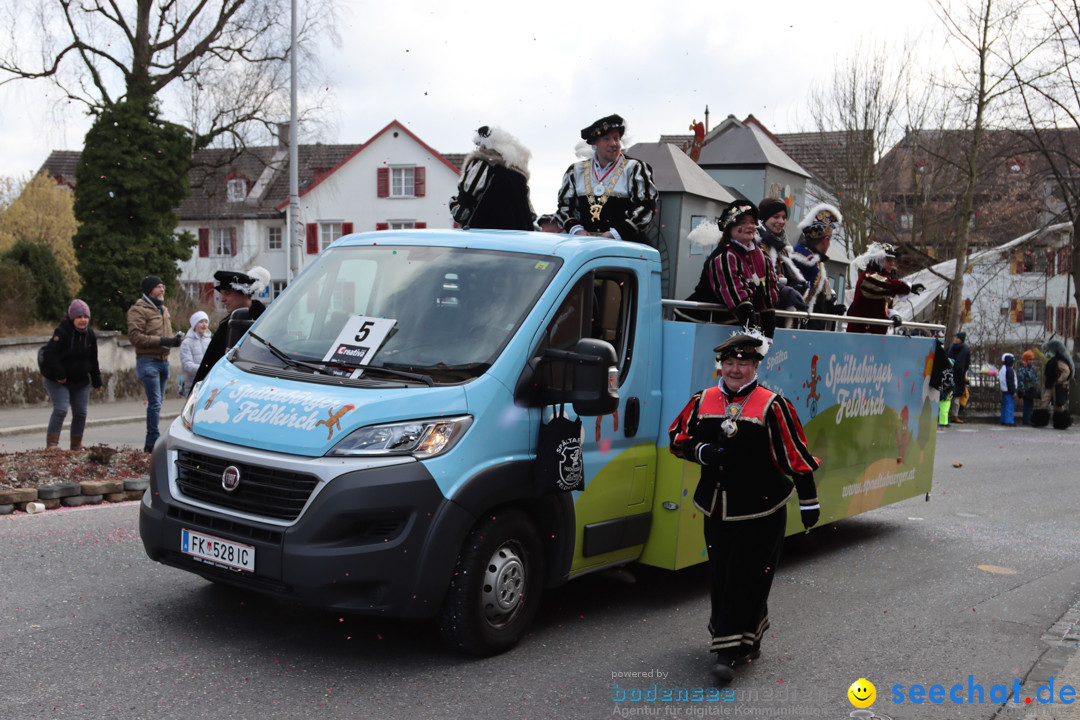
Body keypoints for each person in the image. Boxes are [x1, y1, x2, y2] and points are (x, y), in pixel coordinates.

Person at [667, 327, 820, 683]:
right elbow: (677, 438)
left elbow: (795, 456)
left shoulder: (771, 404)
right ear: (720, 365)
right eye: (730, 362)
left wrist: (809, 501)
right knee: (722, 576)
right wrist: (698, 451)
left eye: (744, 363)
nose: (736, 369)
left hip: (762, 509)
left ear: (756, 366)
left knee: (746, 577)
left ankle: (726, 652)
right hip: (716, 508)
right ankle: (747, 638)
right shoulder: (701, 400)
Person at [555, 114, 658, 243]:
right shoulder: (576, 171)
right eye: (606, 139)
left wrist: (616, 233)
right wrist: (576, 230)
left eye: (616, 138)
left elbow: (646, 207)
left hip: (627, 246)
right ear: (594, 143)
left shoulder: (635, 168)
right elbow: (564, 207)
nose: (613, 144)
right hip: (585, 246)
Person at [683, 201, 779, 336]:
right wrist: (754, 335)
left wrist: (768, 334)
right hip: (703, 325)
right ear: (730, 227)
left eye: (752, 222)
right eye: (743, 222)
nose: (750, 226)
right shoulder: (724, 257)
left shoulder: (762, 257)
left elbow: (767, 297)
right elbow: (737, 298)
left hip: (736, 326)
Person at [127, 276, 183, 452]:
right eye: (158, 287)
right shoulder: (138, 310)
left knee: (158, 402)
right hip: (147, 361)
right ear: (149, 290)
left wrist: (174, 340)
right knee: (155, 402)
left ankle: (152, 441)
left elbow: (165, 333)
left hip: (163, 361)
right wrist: (162, 340)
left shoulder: (162, 309)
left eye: (163, 286)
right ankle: (152, 441)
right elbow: (135, 337)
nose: (162, 290)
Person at [41, 299, 103, 450]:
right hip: (58, 380)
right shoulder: (63, 332)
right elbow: (49, 354)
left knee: (81, 412)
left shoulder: (90, 335)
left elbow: (93, 359)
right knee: (61, 409)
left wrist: (97, 381)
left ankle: (76, 445)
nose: (83, 321)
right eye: (79, 317)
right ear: (72, 318)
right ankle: (52, 445)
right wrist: (59, 373)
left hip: (80, 381)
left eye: (85, 317)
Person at [449, 125, 535, 231]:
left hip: (486, 241)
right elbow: (530, 215)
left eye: (480, 146)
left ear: (486, 146)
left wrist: (452, 202)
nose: (479, 149)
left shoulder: (481, 165)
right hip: (519, 243)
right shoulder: (519, 177)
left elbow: (462, 212)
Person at [193, 266, 270, 384]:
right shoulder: (227, 323)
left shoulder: (264, 322)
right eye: (222, 294)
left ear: (244, 293)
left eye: (227, 293)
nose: (222, 299)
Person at [845, 243, 924, 334]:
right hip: (860, 334)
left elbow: (886, 307)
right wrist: (908, 287)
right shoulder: (867, 276)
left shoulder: (886, 284)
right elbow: (885, 284)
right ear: (878, 260)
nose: (892, 264)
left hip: (877, 336)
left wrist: (894, 315)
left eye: (893, 260)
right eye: (889, 260)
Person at [790, 204, 845, 329]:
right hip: (803, 329)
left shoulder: (808, 257)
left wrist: (830, 309)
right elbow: (805, 300)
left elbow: (817, 299)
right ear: (826, 240)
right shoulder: (810, 262)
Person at [756, 198, 808, 326]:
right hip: (759, 317)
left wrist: (797, 286)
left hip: (779, 317)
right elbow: (758, 280)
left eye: (784, 217)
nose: (781, 221)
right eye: (776, 216)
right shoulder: (755, 244)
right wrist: (784, 290)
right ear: (764, 218)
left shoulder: (782, 248)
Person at [1032, 338, 1073, 429]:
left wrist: (1059, 380)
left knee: (1058, 404)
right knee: (1044, 402)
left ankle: (1061, 422)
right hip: (1049, 385)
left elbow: (1066, 371)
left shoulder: (1059, 361)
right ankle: (1040, 420)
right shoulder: (1052, 361)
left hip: (1057, 386)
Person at [179, 310, 212, 397]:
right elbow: (187, 365)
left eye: (206, 322)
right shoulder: (187, 342)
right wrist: (204, 369)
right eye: (200, 322)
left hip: (206, 383)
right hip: (191, 384)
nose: (204, 324)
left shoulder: (210, 341)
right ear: (194, 325)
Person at [947, 332, 971, 424]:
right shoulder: (952, 347)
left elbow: (966, 363)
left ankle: (954, 415)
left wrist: (961, 371)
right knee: (950, 396)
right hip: (951, 374)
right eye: (955, 337)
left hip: (958, 375)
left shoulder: (964, 349)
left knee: (956, 397)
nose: (955, 339)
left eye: (957, 338)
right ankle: (951, 415)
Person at [1017, 350, 1038, 426]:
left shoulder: (1032, 368)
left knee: (1030, 405)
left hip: (1031, 389)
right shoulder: (1023, 368)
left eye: (1032, 360)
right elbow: (1021, 379)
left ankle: (1028, 419)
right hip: (1026, 389)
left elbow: (1035, 378)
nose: (1031, 361)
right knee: (1027, 405)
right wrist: (1022, 390)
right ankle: (1026, 420)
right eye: (1030, 359)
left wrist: (1036, 386)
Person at [999, 353, 1017, 425]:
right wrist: (1013, 392)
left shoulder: (1003, 369)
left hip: (1004, 390)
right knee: (1010, 406)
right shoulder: (1009, 370)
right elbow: (1010, 382)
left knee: (1005, 406)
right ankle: (1009, 421)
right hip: (1009, 391)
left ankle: (1003, 420)